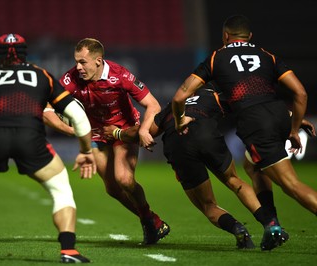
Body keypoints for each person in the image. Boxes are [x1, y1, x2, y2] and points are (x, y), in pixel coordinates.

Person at [0, 34, 96, 264]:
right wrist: (86, 151)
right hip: (30, 138)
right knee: (61, 187)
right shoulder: (42, 75)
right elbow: (79, 117)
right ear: (25, 53)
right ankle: (68, 250)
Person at [171, 14, 317, 250]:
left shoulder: (216, 57)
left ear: (225, 36)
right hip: (279, 114)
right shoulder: (267, 55)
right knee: (252, 166)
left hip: (256, 123)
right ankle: (272, 225)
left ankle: (273, 225)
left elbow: (180, 97)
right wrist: (293, 126)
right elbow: (300, 94)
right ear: (249, 36)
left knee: (291, 185)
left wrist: (179, 121)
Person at [104, 82, 277, 249]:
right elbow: (251, 108)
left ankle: (237, 228)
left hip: (178, 144)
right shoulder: (214, 96)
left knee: (208, 206)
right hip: (205, 133)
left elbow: (145, 133)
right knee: (234, 180)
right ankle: (270, 224)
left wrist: (116, 132)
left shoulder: (172, 106)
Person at [59, 38, 170, 245]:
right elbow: (51, 104)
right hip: (97, 134)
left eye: (83, 62)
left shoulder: (120, 75)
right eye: (76, 62)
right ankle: (151, 220)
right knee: (112, 189)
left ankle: (148, 222)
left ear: (98, 60)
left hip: (123, 129)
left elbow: (153, 105)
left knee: (124, 180)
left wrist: (144, 130)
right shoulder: (70, 79)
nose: (78, 67)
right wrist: (66, 124)